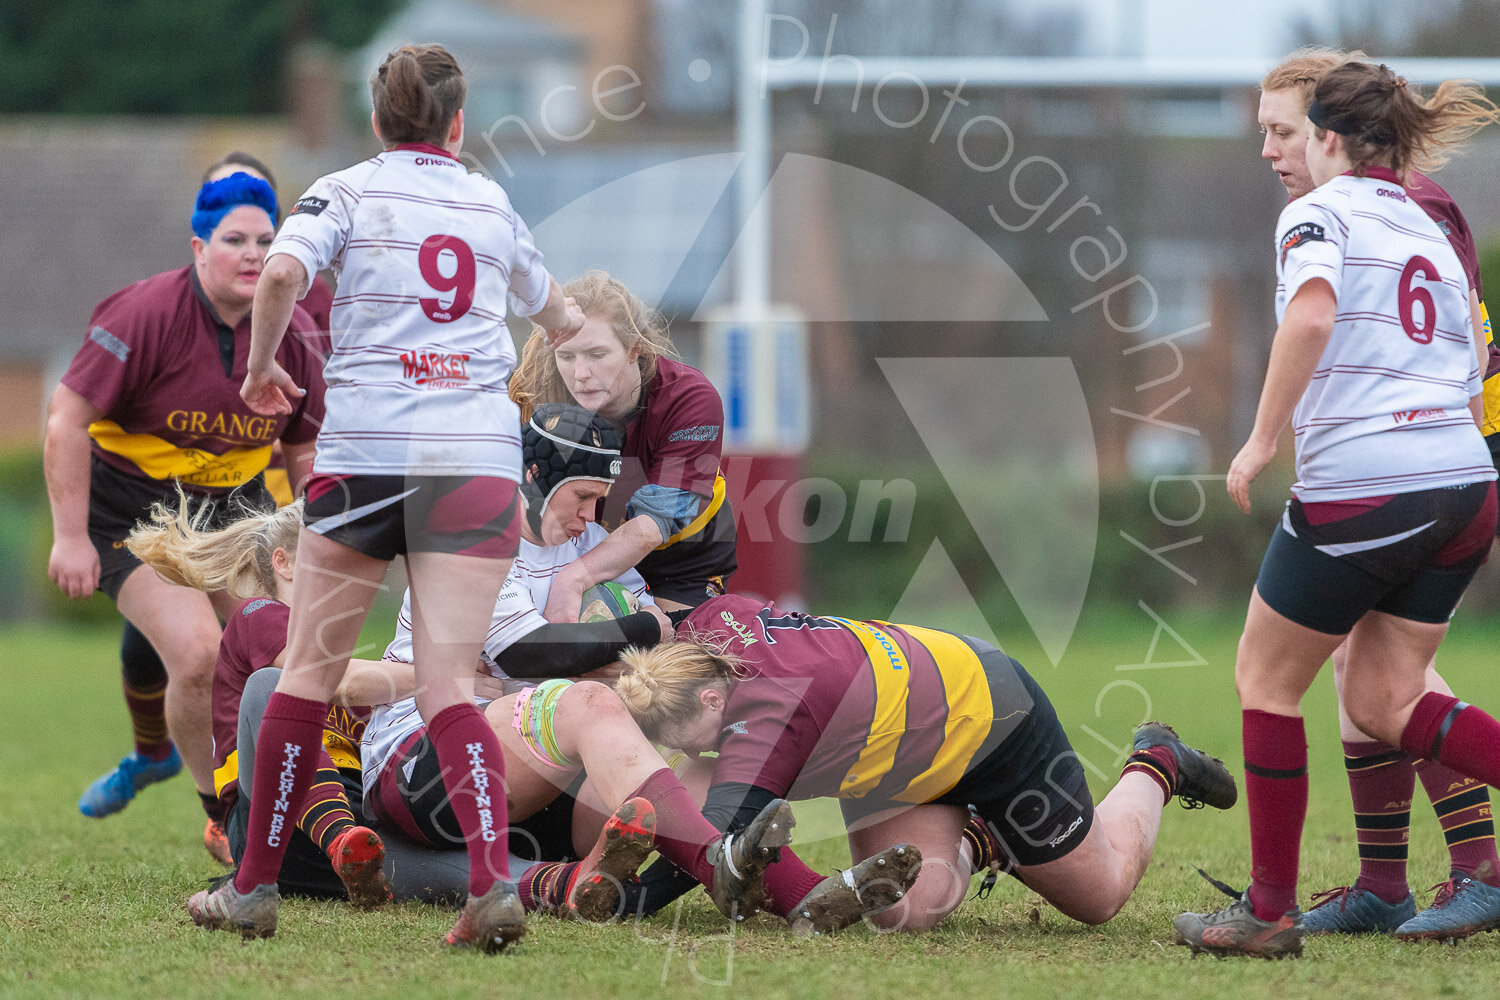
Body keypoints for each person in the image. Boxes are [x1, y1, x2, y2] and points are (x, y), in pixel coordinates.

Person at [182, 43, 590, 951]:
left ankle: (251, 890)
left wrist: (258, 370)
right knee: (449, 686)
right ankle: (490, 885)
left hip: (370, 457)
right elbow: (558, 315)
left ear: (377, 122)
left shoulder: (347, 189)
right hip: (475, 465)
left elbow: (283, 273)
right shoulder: (490, 200)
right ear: (456, 125)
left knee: (307, 673)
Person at [1175, 61, 1500, 959]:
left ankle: (1268, 913)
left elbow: (1311, 319)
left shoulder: (1319, 213)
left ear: (1325, 135)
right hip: (1466, 479)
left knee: (1266, 679)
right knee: (1384, 694)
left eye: (1285, 130)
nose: (1273, 149)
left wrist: (1261, 437)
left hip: (1374, 480)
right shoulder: (1423, 221)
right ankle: (1387, 882)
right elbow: (1477, 357)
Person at [366, 404, 898, 929]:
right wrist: (629, 635)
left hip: (543, 787)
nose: (591, 517)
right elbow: (533, 651)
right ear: (532, 475)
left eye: (600, 501)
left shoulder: (590, 544)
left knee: (716, 774)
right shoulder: (472, 534)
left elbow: (643, 655)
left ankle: (799, 896)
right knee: (588, 702)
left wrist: (614, 645)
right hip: (423, 772)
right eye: (582, 497)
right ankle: (716, 864)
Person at [610, 593, 1238, 933]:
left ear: (716, 697)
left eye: (685, 732)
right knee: (903, 913)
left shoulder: (771, 717)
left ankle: (1156, 761)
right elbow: (667, 615)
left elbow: (717, 848)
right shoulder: (709, 630)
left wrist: (634, 901)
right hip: (897, 755)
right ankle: (981, 837)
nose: (690, 749)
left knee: (1099, 897)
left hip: (995, 720)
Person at [46, 164, 326, 860]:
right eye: (235, 240)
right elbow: (64, 421)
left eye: (267, 240)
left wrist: (322, 531)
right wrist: (71, 537)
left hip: (239, 514)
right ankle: (222, 813)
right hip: (135, 520)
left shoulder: (295, 333)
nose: (255, 255)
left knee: (294, 650)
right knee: (199, 654)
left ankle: (319, 805)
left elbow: (304, 446)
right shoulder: (142, 314)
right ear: (198, 246)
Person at [510, 272, 737, 623]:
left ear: (635, 349)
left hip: (678, 565)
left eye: (597, 354)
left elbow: (653, 525)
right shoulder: (534, 392)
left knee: (668, 663)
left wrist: (572, 580)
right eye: (567, 356)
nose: (581, 373)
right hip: (570, 549)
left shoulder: (689, 398)